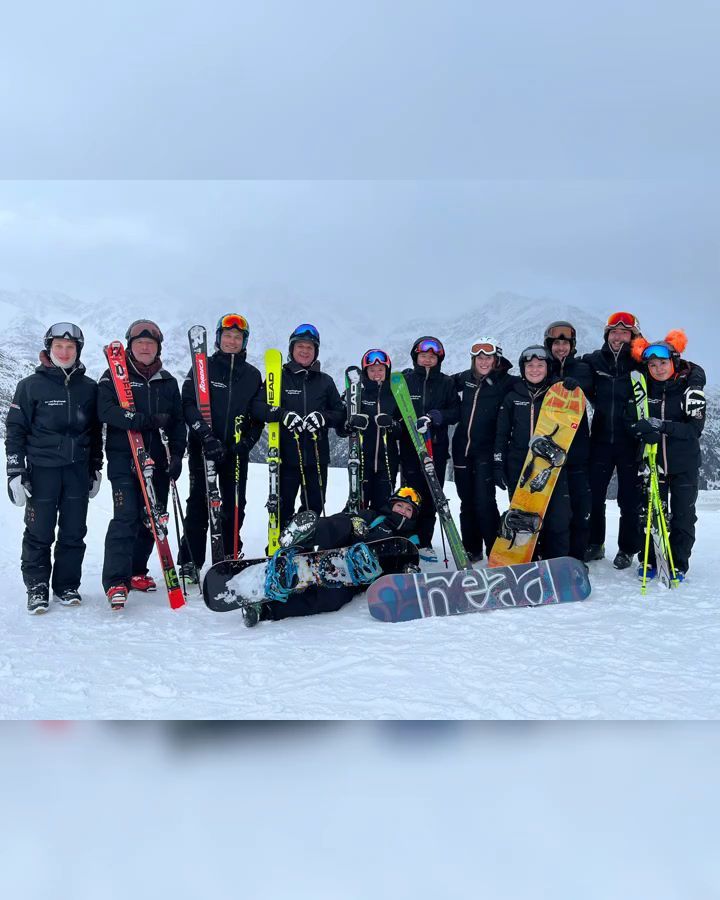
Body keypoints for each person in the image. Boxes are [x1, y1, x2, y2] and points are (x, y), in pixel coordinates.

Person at [5, 323, 102, 614]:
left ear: (78, 350)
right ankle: (37, 587)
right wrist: (15, 471)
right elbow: (15, 430)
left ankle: (66, 585)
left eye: (70, 347)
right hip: (42, 471)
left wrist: (95, 468)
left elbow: (95, 433)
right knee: (39, 532)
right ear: (49, 349)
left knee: (74, 532)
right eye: (59, 346)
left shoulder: (89, 388)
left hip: (77, 472)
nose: (64, 351)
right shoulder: (30, 386)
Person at [98, 319, 187, 609]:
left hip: (158, 459)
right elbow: (106, 411)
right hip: (123, 458)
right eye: (139, 343)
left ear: (158, 348)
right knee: (125, 517)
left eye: (150, 343)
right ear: (130, 347)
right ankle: (116, 581)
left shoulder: (168, 381)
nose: (145, 348)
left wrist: (177, 455)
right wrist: (143, 421)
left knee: (152, 518)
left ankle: (137, 570)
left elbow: (177, 423)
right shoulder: (113, 376)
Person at [253, 486, 422, 624]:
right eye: (399, 505)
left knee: (332, 600)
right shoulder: (374, 517)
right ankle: (305, 535)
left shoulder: (409, 540)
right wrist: (355, 520)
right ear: (391, 505)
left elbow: (406, 565)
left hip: (353, 576)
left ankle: (266, 610)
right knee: (343, 525)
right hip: (340, 548)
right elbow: (347, 517)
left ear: (413, 515)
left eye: (408, 509)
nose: (402, 511)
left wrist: (408, 572)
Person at [178, 314, 263, 579]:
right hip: (203, 447)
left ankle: (229, 554)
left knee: (235, 505)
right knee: (199, 503)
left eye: (238, 337)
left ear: (244, 342)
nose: (232, 341)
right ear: (218, 339)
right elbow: (188, 404)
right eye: (227, 336)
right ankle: (190, 561)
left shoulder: (252, 375)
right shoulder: (203, 367)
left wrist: (247, 443)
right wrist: (205, 436)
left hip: (235, 452)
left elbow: (257, 416)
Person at [626, 330, 706, 580]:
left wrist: (662, 426)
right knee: (650, 514)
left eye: (663, 363)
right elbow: (629, 421)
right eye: (652, 365)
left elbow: (694, 429)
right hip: (652, 462)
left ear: (673, 362)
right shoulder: (642, 388)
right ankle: (649, 559)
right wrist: (640, 429)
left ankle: (678, 563)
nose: (658, 369)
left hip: (684, 464)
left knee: (683, 517)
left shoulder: (689, 390)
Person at [250, 323, 345, 528]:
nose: (305, 351)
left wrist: (323, 417)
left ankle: (306, 543)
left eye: (310, 347)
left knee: (314, 508)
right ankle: (281, 542)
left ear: (315, 352)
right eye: (300, 346)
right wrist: (282, 415)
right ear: (292, 349)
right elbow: (257, 407)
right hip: (286, 457)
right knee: (283, 508)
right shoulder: (279, 378)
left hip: (317, 457)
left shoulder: (325, 381)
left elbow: (340, 413)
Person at [494, 345, 572, 560]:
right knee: (524, 516)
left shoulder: (557, 394)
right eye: (530, 366)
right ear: (523, 369)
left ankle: (555, 559)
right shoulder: (513, 396)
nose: (535, 370)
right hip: (519, 464)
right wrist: (498, 463)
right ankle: (529, 558)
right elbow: (501, 433)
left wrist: (571, 389)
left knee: (557, 517)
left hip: (551, 465)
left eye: (540, 365)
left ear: (548, 368)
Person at [582, 312, 646, 569]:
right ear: (607, 335)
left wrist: (695, 378)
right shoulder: (594, 360)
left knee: (629, 500)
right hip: (600, 439)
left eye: (624, 333)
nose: (618, 337)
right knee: (594, 496)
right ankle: (595, 543)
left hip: (630, 441)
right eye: (614, 332)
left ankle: (627, 549)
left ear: (633, 336)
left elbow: (682, 367)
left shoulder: (642, 361)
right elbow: (567, 366)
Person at [451, 338, 516, 563]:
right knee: (466, 502)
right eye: (479, 357)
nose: (483, 361)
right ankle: (472, 549)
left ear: (496, 359)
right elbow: (442, 383)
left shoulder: (506, 382)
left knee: (484, 501)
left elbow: (533, 382)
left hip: (486, 451)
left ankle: (493, 549)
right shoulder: (465, 378)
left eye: (488, 357)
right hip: (461, 449)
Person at [396, 336, 460, 558]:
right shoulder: (405, 381)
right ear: (416, 357)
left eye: (432, 357)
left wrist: (435, 416)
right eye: (423, 356)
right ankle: (408, 539)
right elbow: (394, 410)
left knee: (432, 495)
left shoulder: (446, 383)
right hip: (410, 449)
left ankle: (424, 542)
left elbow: (456, 412)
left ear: (438, 359)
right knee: (409, 496)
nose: (427, 360)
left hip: (436, 449)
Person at [543, 321, 594, 561]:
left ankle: (577, 556)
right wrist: (555, 381)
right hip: (549, 452)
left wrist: (577, 384)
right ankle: (552, 553)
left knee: (580, 508)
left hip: (577, 451)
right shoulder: (542, 366)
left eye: (565, 343)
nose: (561, 348)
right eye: (556, 343)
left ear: (572, 346)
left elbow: (591, 384)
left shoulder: (582, 368)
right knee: (555, 511)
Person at [344, 348, 401, 510]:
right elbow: (342, 427)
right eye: (372, 370)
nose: (377, 373)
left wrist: (392, 424)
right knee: (357, 506)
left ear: (387, 371)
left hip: (387, 464)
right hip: (362, 463)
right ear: (365, 372)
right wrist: (351, 422)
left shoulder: (395, 396)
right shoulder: (357, 394)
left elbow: (403, 431)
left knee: (383, 508)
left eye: (381, 369)